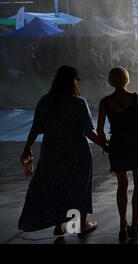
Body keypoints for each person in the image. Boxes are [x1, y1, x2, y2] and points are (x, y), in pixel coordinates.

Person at [18, 66, 107, 236]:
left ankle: (58, 225)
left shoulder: (45, 101)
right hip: (76, 153)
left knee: (56, 185)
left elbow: (35, 128)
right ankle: (82, 224)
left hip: (51, 152)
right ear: (73, 81)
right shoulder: (78, 102)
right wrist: (104, 145)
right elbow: (88, 131)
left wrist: (27, 148)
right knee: (79, 186)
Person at [97, 67, 138, 241]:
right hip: (136, 144)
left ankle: (123, 224)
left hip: (118, 145)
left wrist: (106, 146)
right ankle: (135, 223)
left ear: (110, 81)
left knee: (122, 185)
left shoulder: (105, 102)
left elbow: (99, 130)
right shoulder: (137, 98)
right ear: (126, 79)